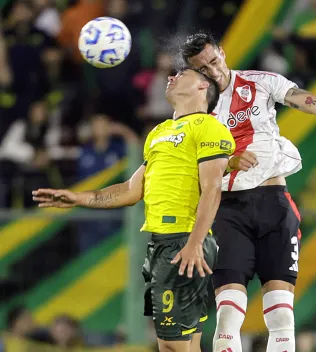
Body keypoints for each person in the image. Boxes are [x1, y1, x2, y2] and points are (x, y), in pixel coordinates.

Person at [180, 32, 316, 352]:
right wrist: (229, 162)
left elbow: (311, 102)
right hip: (227, 209)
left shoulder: (261, 82)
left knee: (282, 314)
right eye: (203, 68)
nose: (213, 71)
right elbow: (191, 165)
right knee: (227, 314)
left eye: (214, 61)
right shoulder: (193, 109)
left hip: (273, 202)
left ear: (223, 53)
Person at [32, 67, 236, 352]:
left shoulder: (209, 127)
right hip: (162, 244)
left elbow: (213, 188)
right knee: (182, 344)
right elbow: (130, 190)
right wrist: (78, 198)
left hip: (184, 241)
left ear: (203, 86)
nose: (171, 77)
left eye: (182, 74)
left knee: (172, 344)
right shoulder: (159, 133)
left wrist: (195, 243)